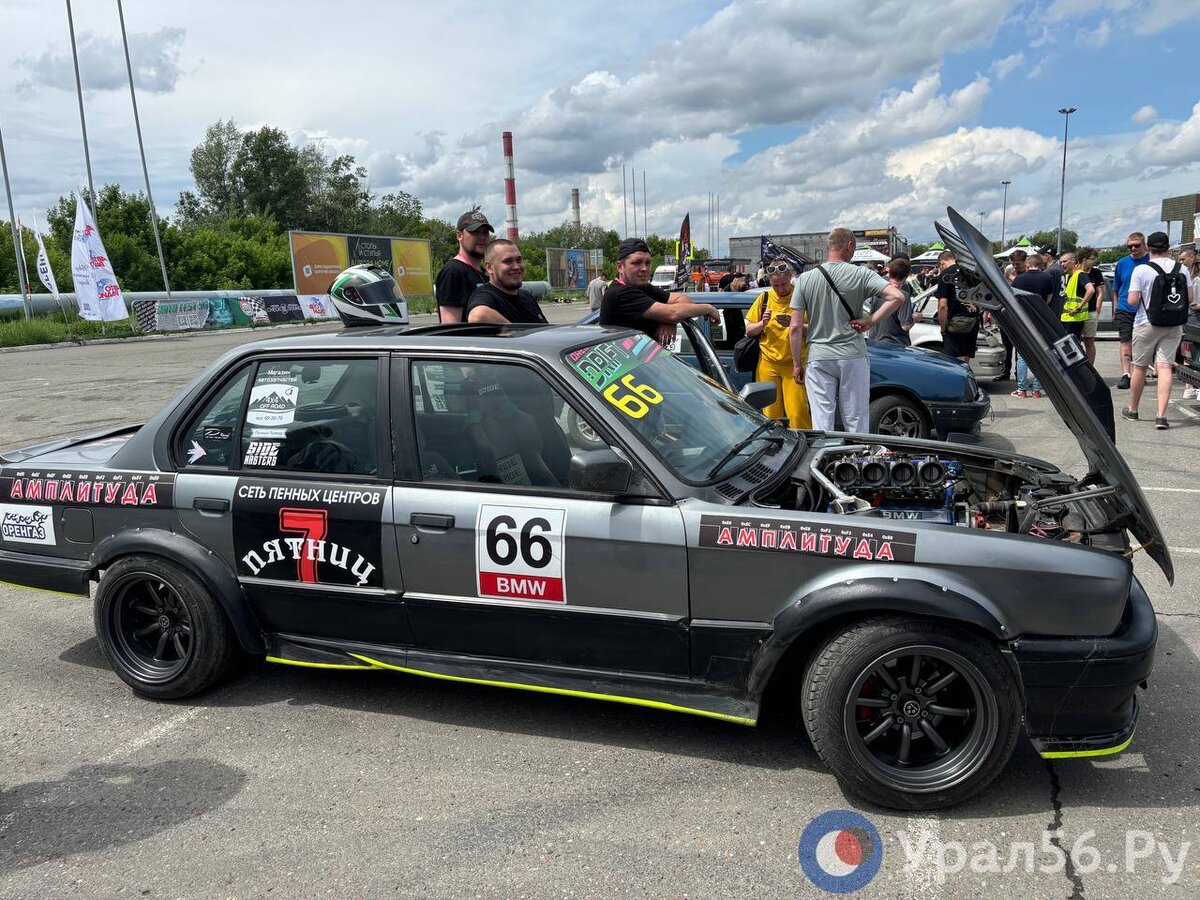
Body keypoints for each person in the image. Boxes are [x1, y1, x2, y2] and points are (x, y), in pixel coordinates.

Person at [787, 228, 904, 433]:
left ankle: (824, 460)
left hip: (819, 356)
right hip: (852, 355)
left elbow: (795, 328)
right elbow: (897, 297)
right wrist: (871, 320)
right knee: (856, 417)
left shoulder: (805, 279)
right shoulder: (861, 274)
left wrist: (797, 364)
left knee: (822, 419)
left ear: (828, 247)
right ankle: (857, 459)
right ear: (849, 246)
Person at [1122, 231, 1188, 429]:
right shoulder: (1182, 268)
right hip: (1174, 324)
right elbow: (1190, 298)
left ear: (1148, 248)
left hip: (1146, 323)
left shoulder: (1142, 269)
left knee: (1140, 367)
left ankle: (1133, 409)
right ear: (1168, 248)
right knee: (1165, 367)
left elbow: (1132, 301)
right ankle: (1161, 416)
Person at [599, 238, 719, 343]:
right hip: (626, 367)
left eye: (648, 263)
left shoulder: (643, 287)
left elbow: (681, 299)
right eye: (636, 263)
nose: (644, 269)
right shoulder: (619, 292)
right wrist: (708, 308)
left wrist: (668, 321)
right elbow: (673, 313)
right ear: (620, 267)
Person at [743, 258, 811, 429]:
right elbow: (749, 331)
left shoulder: (802, 296)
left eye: (784, 284)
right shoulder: (764, 298)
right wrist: (762, 324)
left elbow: (815, 331)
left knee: (798, 413)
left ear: (791, 278)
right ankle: (775, 449)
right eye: (776, 286)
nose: (780, 289)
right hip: (768, 363)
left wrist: (794, 324)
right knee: (771, 415)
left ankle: (807, 445)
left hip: (794, 365)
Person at [465, 239, 548, 325]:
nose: (516, 266)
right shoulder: (486, 295)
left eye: (519, 260)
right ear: (489, 267)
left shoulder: (527, 296)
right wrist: (514, 333)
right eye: (508, 261)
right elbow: (478, 316)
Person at [1010, 253, 1056, 399]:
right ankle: (1036, 389)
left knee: (1022, 356)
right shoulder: (1048, 278)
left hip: (1023, 320)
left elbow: (1014, 299)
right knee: (1040, 355)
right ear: (1041, 265)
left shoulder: (1019, 279)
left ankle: (1021, 390)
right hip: (1040, 320)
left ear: (1028, 264)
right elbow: (1049, 298)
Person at [435, 210, 494, 323]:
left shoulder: (484, 272)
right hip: (470, 340)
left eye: (485, 232)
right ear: (459, 235)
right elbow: (451, 327)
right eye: (475, 232)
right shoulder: (453, 272)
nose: (481, 237)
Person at [1112, 232, 1150, 389]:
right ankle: (1126, 374)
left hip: (1145, 308)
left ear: (1144, 245)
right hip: (1125, 307)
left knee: (1144, 342)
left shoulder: (1150, 261)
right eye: (1130, 246)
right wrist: (1116, 308)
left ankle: (1139, 373)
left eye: (1136, 245)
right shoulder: (1122, 263)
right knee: (1125, 341)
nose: (1133, 248)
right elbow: (1116, 287)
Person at [934, 250, 979, 364]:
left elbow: (943, 305)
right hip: (973, 320)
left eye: (939, 267)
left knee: (953, 360)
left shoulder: (945, 275)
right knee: (966, 358)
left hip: (956, 322)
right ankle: (966, 380)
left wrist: (943, 328)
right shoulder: (969, 272)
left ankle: (957, 381)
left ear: (942, 262)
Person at [867, 255, 915, 347]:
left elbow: (871, 315)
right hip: (895, 345)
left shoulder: (877, 291)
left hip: (874, 342)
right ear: (907, 275)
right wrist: (915, 318)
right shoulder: (903, 295)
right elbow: (905, 326)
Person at [1077, 247, 1105, 365]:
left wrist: (1098, 308)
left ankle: (1090, 368)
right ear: (1084, 259)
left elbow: (1100, 292)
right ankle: (1078, 367)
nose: (1095, 261)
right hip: (1076, 312)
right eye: (1093, 259)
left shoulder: (1096, 273)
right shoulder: (1076, 272)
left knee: (1089, 341)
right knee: (1076, 341)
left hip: (1091, 311)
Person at [1182, 247, 1200, 399]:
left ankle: (1190, 387)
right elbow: (1194, 303)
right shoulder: (1194, 279)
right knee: (1192, 352)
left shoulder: (1190, 277)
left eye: (1183, 259)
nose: (1181, 262)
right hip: (1194, 317)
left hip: (1190, 317)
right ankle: (1192, 387)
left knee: (1190, 352)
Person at [1058, 252, 1089, 339]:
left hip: (1075, 318)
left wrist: (1079, 308)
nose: (1062, 264)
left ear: (1073, 261)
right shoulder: (1067, 276)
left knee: (1074, 346)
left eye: (1065, 261)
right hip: (1066, 317)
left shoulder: (1080, 274)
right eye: (1061, 262)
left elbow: (1091, 290)